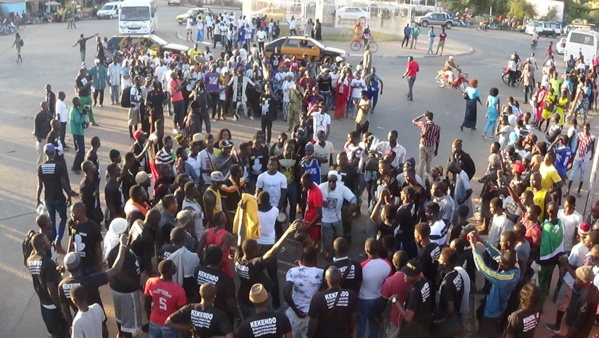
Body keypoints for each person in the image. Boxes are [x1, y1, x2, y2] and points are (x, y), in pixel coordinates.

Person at [468, 230, 520, 336]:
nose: (498, 264)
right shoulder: (514, 266)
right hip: (493, 302)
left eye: (500, 264)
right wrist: (482, 241)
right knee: (479, 314)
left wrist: (474, 248)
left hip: (493, 311)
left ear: (505, 267)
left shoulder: (505, 278)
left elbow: (483, 269)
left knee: (487, 331)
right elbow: (498, 255)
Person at [27, 233, 70, 338]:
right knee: (63, 333)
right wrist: (61, 309)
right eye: (47, 241)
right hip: (53, 306)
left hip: (44, 304)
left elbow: (40, 275)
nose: (49, 242)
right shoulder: (48, 263)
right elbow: (52, 290)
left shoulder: (30, 260)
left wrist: (56, 272)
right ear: (42, 246)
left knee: (54, 332)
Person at [165, 283, 234, 338]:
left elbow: (168, 322)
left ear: (199, 293)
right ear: (214, 296)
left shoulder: (189, 308)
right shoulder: (219, 314)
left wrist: (188, 327)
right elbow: (230, 336)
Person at [284, 245, 324, 338]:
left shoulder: (292, 271)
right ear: (315, 259)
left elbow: (286, 294)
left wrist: (296, 310)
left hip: (294, 315)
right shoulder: (321, 273)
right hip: (312, 315)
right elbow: (322, 293)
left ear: (301, 258)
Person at [308, 266, 358, 338]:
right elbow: (353, 318)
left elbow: (313, 323)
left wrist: (310, 336)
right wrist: (351, 333)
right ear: (340, 279)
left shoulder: (318, 298)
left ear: (325, 280)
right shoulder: (351, 295)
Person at [144, 259, 187, 338]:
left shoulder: (150, 281)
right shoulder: (179, 290)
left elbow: (147, 301)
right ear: (171, 271)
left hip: (154, 320)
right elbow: (181, 311)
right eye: (173, 266)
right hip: (170, 323)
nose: (175, 266)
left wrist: (148, 314)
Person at [357, 238, 391, 338]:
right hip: (379, 298)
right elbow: (387, 283)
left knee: (361, 324)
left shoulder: (361, 266)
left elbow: (358, 283)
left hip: (363, 299)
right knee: (374, 324)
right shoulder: (387, 264)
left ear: (366, 250)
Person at [319, 171, 356, 258]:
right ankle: (329, 255)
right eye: (329, 181)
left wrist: (353, 205)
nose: (331, 183)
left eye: (334, 181)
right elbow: (313, 196)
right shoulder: (321, 187)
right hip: (326, 219)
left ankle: (338, 255)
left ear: (337, 181)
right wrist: (320, 202)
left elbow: (353, 198)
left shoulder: (342, 188)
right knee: (328, 241)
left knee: (340, 238)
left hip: (337, 218)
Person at [393, 259, 432, 336]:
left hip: (414, 331)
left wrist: (396, 302)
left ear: (416, 276)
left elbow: (408, 318)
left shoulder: (414, 292)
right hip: (424, 324)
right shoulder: (425, 281)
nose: (405, 276)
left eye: (409, 275)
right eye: (405, 273)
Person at [565, 122, 595, 197]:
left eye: (587, 129)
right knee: (572, 174)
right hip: (578, 157)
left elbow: (592, 147)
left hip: (585, 158)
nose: (585, 130)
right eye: (584, 129)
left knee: (582, 175)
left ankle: (578, 190)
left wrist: (591, 155)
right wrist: (574, 154)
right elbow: (577, 145)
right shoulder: (579, 135)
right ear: (583, 128)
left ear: (589, 129)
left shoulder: (592, 137)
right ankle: (568, 190)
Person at [412, 111, 441, 179]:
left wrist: (422, 115)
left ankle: (419, 177)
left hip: (423, 145)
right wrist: (436, 149)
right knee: (428, 162)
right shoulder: (437, 127)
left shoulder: (424, 125)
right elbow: (437, 139)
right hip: (431, 146)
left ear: (427, 117)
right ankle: (428, 177)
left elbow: (414, 121)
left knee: (421, 162)